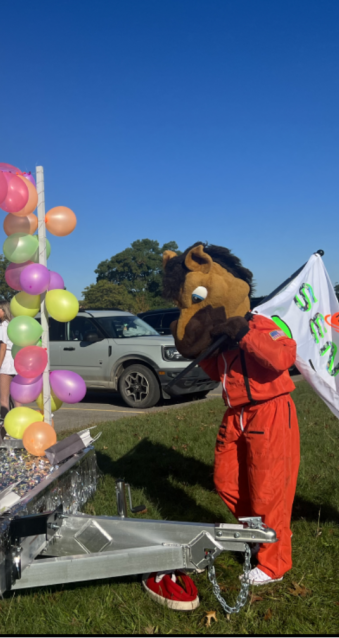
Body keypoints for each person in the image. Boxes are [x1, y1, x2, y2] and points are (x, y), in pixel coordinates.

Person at [141, 243, 300, 612]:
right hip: (236, 414)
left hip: (269, 411)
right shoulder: (223, 336)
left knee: (269, 489)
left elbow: (282, 357)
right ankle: (256, 533)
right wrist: (206, 347)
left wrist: (244, 333)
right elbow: (218, 374)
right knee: (226, 481)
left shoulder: (261, 324)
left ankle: (274, 563)